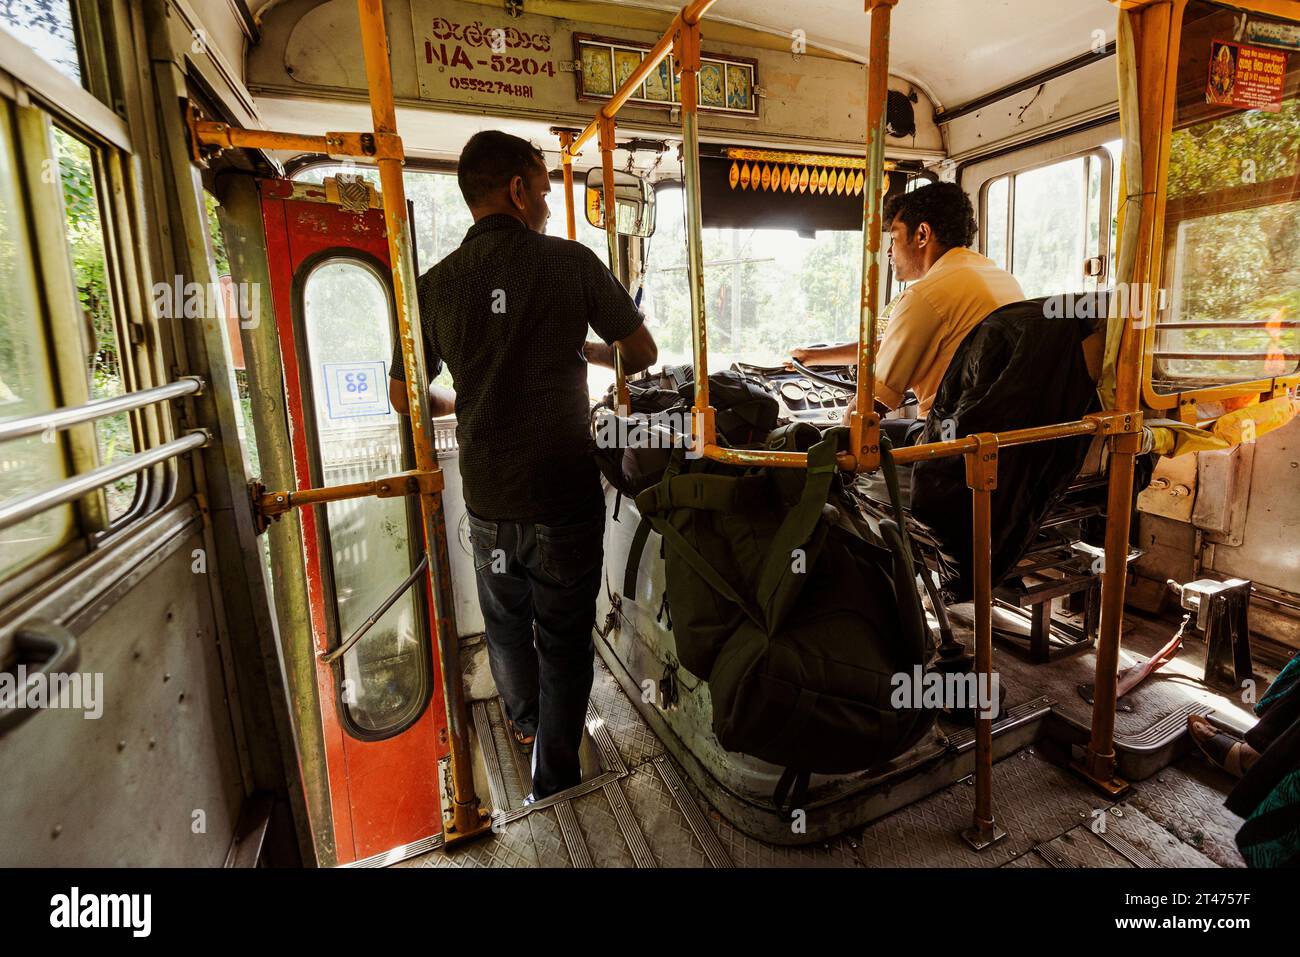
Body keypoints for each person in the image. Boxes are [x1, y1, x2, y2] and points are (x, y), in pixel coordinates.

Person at [389, 130, 657, 800]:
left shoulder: (434, 285)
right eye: (541, 188)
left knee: (506, 621)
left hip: (488, 499)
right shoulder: (570, 263)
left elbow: (403, 390)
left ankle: (524, 726)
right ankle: (558, 770)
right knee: (564, 635)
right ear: (517, 187)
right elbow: (643, 351)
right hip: (562, 494)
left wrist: (466, 398)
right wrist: (584, 352)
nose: (544, 202)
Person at [791, 181, 1024, 446]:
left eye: (894, 238)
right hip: (1000, 438)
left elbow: (870, 404)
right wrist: (814, 357)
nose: (889, 251)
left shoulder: (926, 295)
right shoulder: (999, 277)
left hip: (945, 442)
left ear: (922, 234)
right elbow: (893, 346)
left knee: (834, 442)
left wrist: (832, 449)